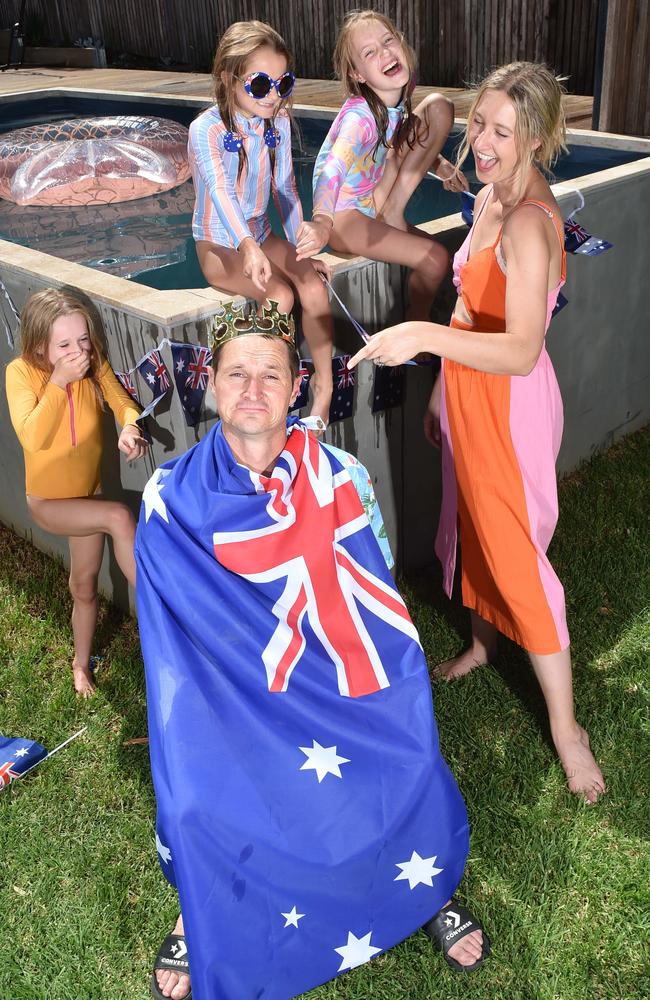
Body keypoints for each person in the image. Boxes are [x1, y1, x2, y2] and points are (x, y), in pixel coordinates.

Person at [135, 302, 489, 1000]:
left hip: (328, 675)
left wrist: (374, 686)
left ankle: (421, 890)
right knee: (196, 801)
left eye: (270, 374)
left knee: (404, 748)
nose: (253, 390)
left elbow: (377, 603)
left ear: (297, 384)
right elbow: (171, 637)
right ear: (210, 383)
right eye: (237, 374)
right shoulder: (170, 497)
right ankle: (198, 905)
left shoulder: (340, 478)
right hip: (231, 691)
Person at [348, 62, 606, 805]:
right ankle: (487, 645)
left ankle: (567, 729)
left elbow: (522, 349)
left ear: (537, 137)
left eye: (501, 130)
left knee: (517, 554)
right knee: (471, 526)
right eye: (478, 125)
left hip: (510, 407)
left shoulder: (529, 221)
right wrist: (440, 390)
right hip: (469, 391)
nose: (481, 142)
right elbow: (472, 310)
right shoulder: (493, 194)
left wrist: (421, 337)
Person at [188, 20, 335, 424]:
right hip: (219, 244)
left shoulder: (279, 122)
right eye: (259, 85)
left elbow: (284, 188)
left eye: (283, 83)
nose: (273, 95)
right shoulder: (206, 130)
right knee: (281, 296)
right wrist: (246, 246)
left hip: (262, 232)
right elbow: (219, 192)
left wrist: (301, 244)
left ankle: (324, 384)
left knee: (313, 285)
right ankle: (265, 398)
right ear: (228, 78)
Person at [5, 288, 148, 696]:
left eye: (83, 340)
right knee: (118, 516)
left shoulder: (91, 363)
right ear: (37, 344)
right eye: (64, 344)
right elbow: (32, 437)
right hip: (49, 503)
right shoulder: (21, 372)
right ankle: (163, 602)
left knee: (83, 585)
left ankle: (80, 665)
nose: (77, 351)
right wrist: (58, 382)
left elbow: (121, 400)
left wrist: (130, 427)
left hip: (89, 493)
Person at [303, 10, 467, 323]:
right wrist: (322, 221)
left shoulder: (390, 103)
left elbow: (400, 141)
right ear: (357, 75)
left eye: (388, 41)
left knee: (438, 107)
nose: (385, 53)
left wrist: (440, 165)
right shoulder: (359, 119)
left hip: (371, 200)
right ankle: (415, 324)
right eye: (370, 52)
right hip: (344, 217)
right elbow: (332, 169)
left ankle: (392, 213)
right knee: (435, 259)